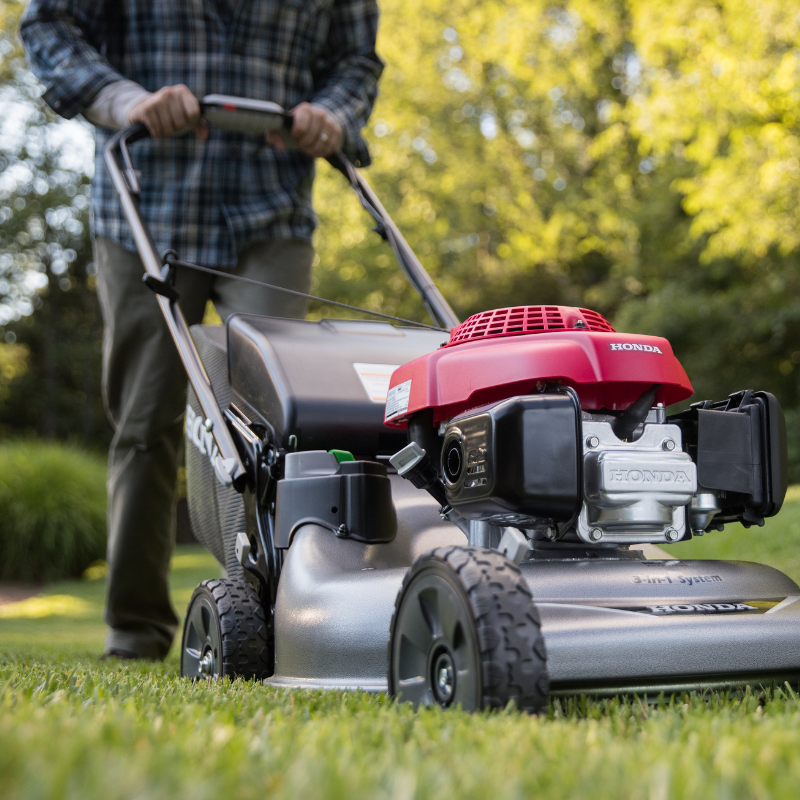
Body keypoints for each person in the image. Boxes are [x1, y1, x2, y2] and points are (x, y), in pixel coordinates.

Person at [20, 0, 383, 660]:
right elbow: (51, 24)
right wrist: (124, 98)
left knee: (285, 419)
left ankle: (287, 617)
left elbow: (355, 59)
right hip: (149, 200)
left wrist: (334, 112)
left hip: (270, 202)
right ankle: (135, 630)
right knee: (144, 420)